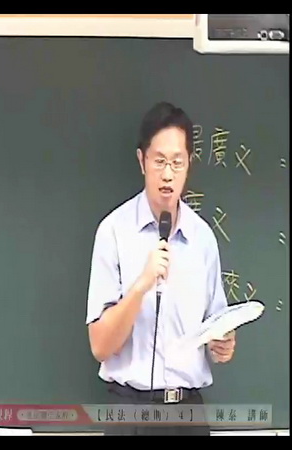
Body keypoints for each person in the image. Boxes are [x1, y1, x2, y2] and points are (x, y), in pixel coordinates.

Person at [85, 101, 236, 436]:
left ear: (189, 164)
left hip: (187, 413)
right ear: (142, 161)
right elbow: (100, 346)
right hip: (129, 411)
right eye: (159, 161)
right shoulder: (113, 232)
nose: (168, 174)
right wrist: (141, 284)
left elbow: (216, 326)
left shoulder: (202, 239)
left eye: (177, 162)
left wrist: (223, 344)